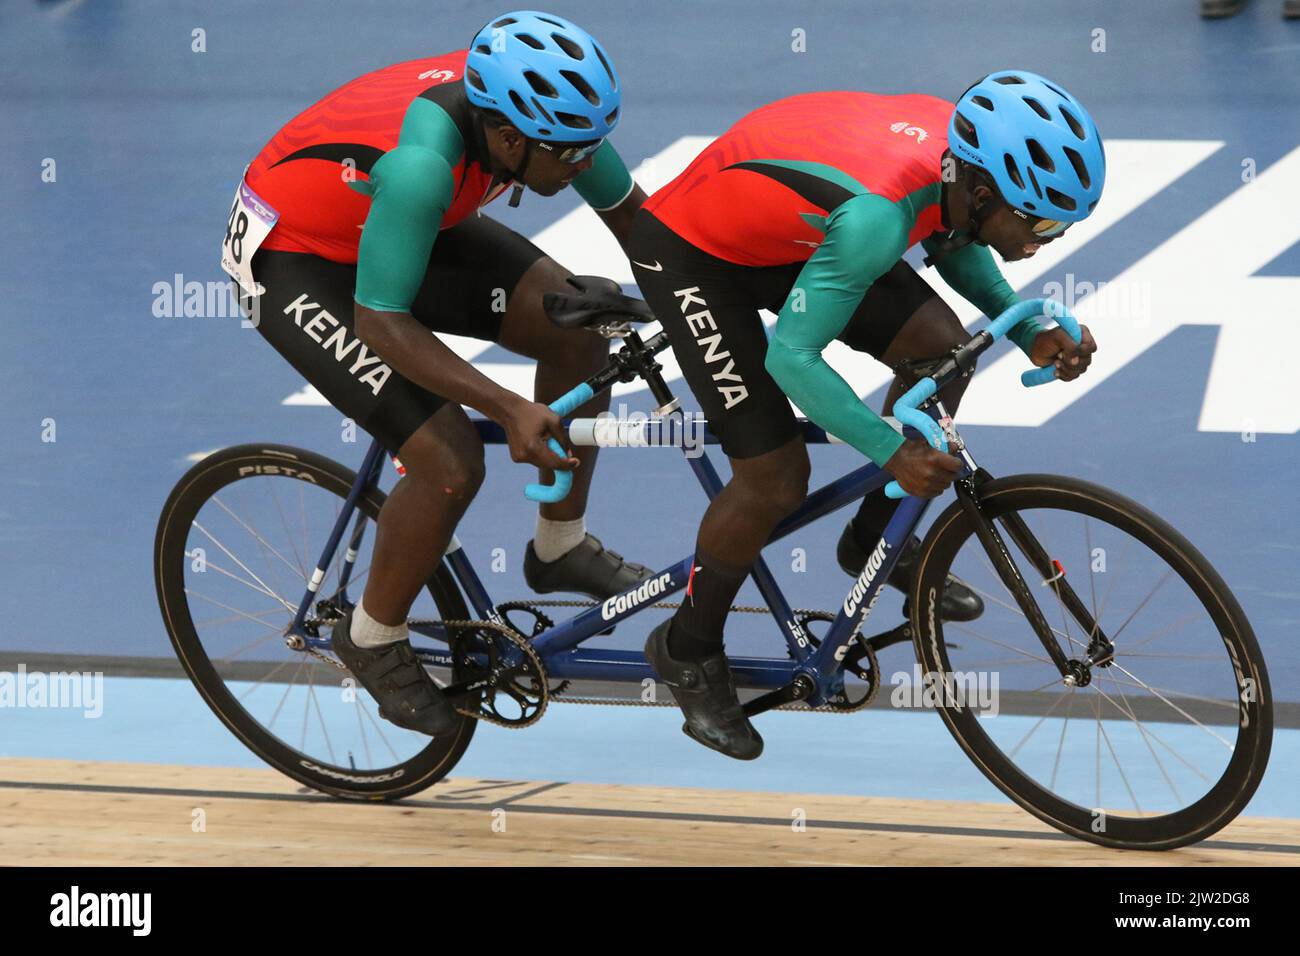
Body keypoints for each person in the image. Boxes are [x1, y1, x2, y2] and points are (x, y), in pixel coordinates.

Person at [628, 72, 1103, 759]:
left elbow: (953, 238)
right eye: (1042, 223)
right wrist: (890, 450)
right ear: (981, 192)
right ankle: (687, 646)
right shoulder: (879, 217)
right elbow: (792, 359)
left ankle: (873, 539)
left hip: (796, 231)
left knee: (944, 353)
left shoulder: (961, 157)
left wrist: (1024, 328)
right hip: (691, 252)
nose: (1047, 240)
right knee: (774, 474)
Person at [223, 12, 653, 736]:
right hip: (296, 257)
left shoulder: (540, 115)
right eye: (570, 155)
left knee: (579, 328)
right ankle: (371, 634)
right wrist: (509, 408)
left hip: (385, 224)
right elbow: (380, 323)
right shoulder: (425, 167)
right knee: (447, 459)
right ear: (509, 138)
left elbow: (646, 229)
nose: (585, 165)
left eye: (592, 147)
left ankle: (558, 547)